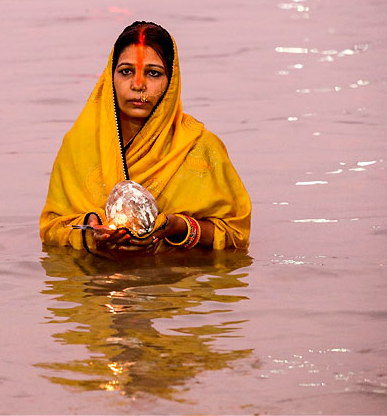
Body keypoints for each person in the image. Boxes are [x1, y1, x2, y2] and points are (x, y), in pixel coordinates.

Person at [39, 21, 251, 258]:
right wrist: (91, 226)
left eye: (153, 73)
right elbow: (51, 230)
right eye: (126, 71)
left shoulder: (200, 146)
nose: (138, 85)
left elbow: (236, 236)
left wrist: (179, 227)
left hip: (173, 286)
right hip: (96, 286)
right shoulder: (79, 145)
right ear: (111, 77)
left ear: (171, 82)